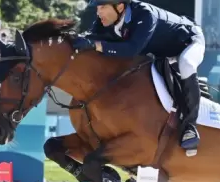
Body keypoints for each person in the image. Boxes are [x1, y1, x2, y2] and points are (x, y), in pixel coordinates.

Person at [73, 0, 205, 152]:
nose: (98, 12)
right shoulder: (107, 18)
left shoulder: (145, 14)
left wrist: (96, 45)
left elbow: (132, 49)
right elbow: (89, 36)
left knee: (187, 64)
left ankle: (190, 127)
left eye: (102, 7)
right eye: (98, 7)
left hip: (188, 42)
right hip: (162, 53)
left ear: (120, 6)